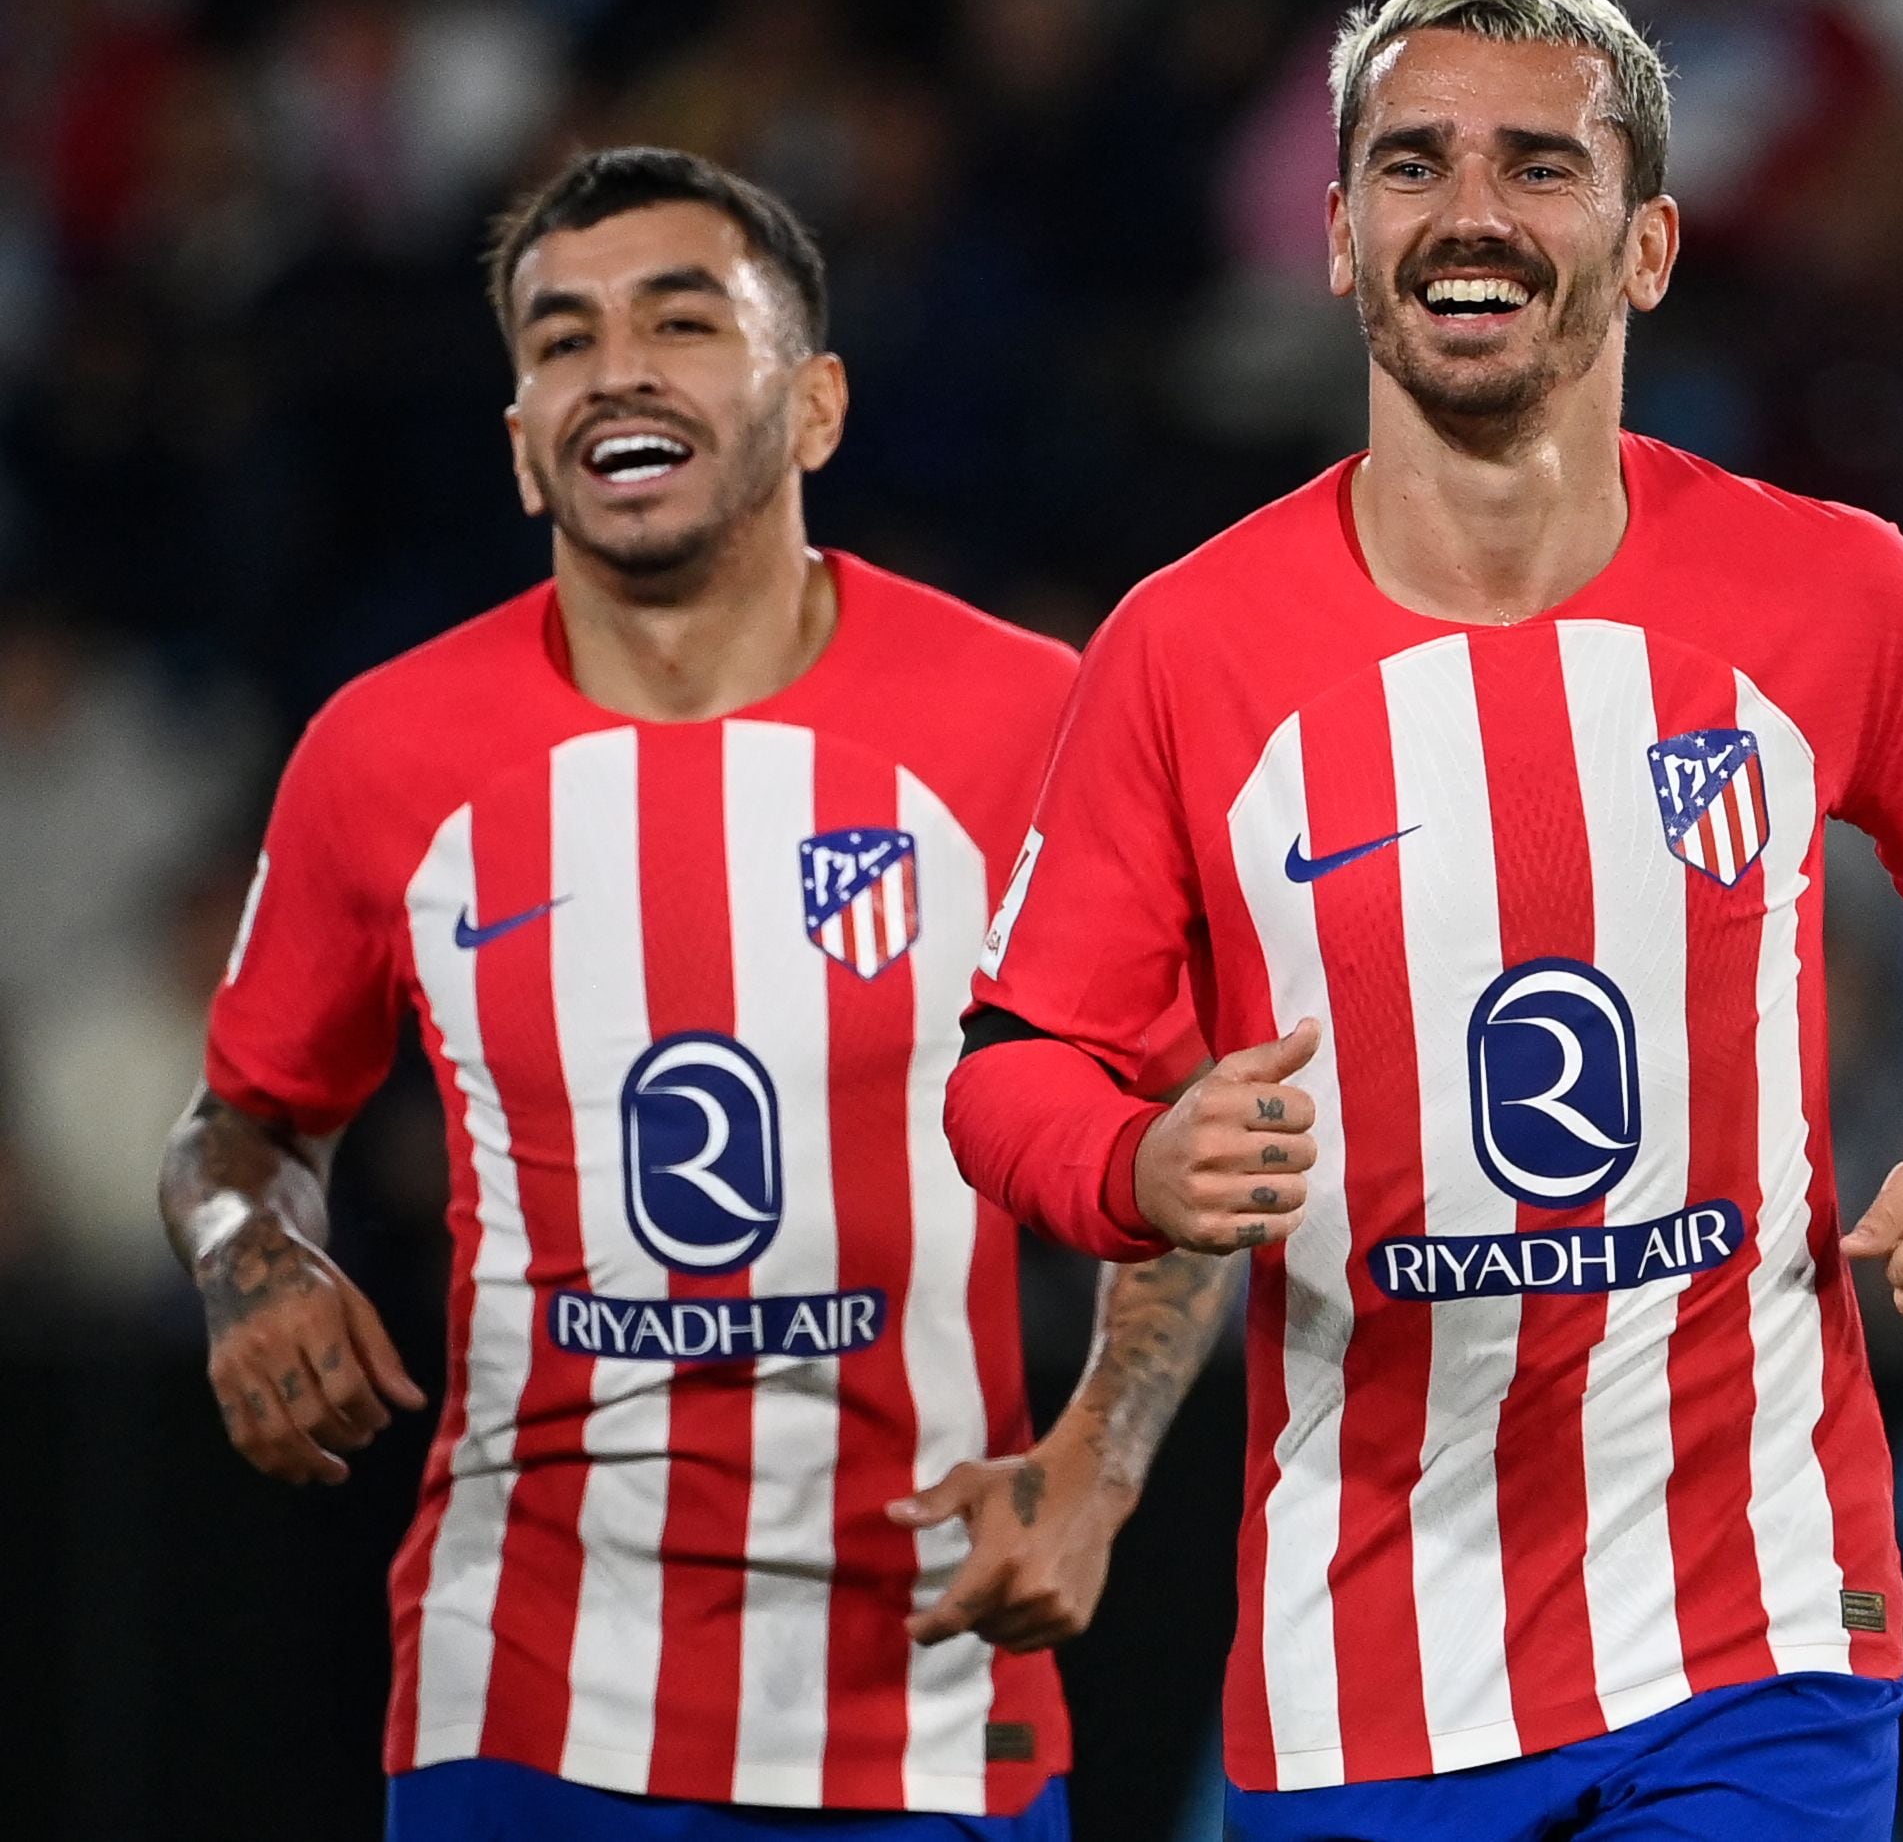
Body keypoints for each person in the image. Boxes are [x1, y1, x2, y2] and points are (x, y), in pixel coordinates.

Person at [942, 0, 1903, 1841]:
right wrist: (1135, 1171)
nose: (1468, 209)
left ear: (1645, 245)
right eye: (1411, 163)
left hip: (1762, 1626)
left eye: (1537, 165)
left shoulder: (1834, 592)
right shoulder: (1185, 648)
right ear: (1334, 237)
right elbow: (1012, 1069)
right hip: (1360, 1667)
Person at [160, 148, 1236, 1838]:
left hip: (932, 1703)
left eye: (680, 320)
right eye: (564, 339)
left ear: (813, 407)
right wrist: (251, 1264)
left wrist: (1094, 1467)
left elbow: (1197, 1143)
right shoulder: (383, 755)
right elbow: (242, 1127)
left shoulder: (1031, 724)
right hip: (518, 1697)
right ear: (524, 443)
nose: (618, 370)